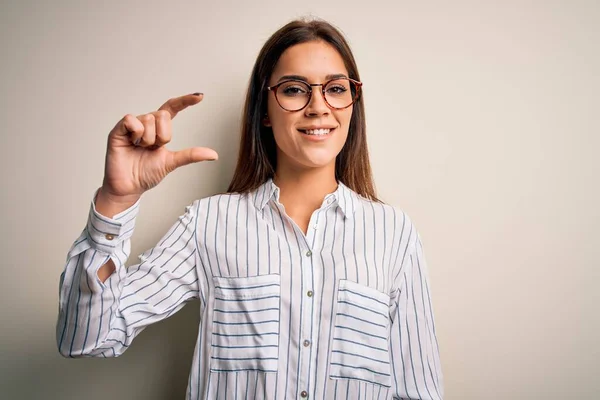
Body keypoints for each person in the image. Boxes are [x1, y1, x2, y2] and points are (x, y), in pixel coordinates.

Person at [56, 18, 444, 400]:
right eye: (294, 90)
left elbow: (420, 392)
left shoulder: (395, 234)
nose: (318, 107)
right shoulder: (207, 224)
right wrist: (116, 201)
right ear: (264, 111)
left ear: (352, 105)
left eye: (336, 89)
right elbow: (86, 338)